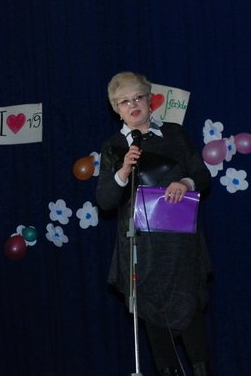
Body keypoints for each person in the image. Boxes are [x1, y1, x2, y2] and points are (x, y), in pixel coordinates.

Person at [95, 72, 212, 376]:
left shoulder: (175, 134)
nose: (132, 105)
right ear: (116, 109)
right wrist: (123, 170)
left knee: (190, 315)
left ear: (150, 100)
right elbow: (105, 201)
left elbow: (202, 175)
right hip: (142, 250)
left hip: (180, 246)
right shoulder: (114, 147)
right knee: (154, 320)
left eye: (138, 97)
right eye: (124, 101)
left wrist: (185, 183)